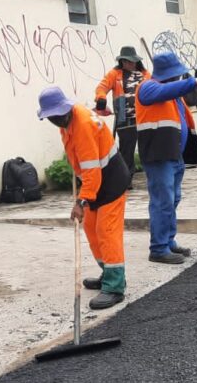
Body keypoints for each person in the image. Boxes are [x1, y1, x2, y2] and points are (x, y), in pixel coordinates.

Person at [37, 86, 131, 310]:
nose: (55, 120)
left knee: (106, 232)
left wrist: (81, 201)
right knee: (90, 227)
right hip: (96, 183)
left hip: (111, 181)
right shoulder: (67, 121)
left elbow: (92, 171)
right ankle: (108, 273)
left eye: (57, 116)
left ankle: (115, 286)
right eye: (50, 117)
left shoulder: (83, 126)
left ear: (66, 109)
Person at [135, 51, 197, 265]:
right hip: (158, 155)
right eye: (175, 75)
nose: (177, 78)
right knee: (163, 201)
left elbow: (184, 123)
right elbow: (166, 90)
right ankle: (158, 248)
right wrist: (193, 82)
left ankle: (169, 241)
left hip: (175, 154)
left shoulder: (174, 95)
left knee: (173, 199)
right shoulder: (148, 87)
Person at [93, 45, 148, 185]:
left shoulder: (144, 73)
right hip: (125, 119)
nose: (132, 63)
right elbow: (102, 88)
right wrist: (101, 99)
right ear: (122, 61)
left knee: (147, 148)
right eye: (129, 61)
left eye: (133, 61)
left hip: (145, 118)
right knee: (126, 151)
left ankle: (153, 177)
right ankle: (125, 180)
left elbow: (154, 86)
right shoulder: (114, 74)